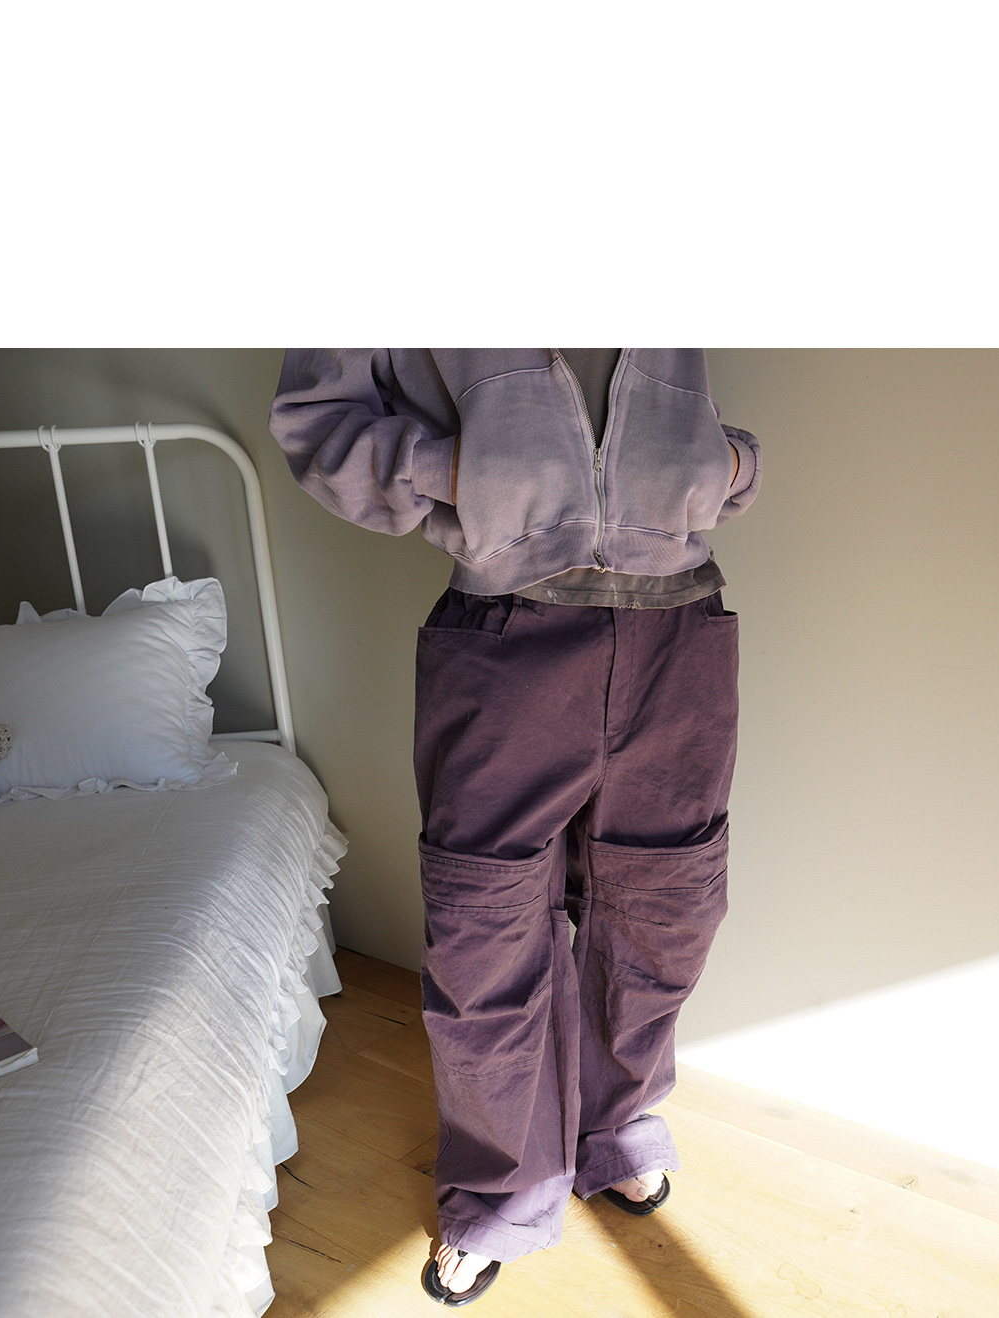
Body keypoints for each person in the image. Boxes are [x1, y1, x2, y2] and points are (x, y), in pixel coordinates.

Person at [270, 350, 761, 1299]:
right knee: (485, 931)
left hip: (681, 623)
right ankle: (502, 1188)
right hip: (506, 625)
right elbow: (317, 424)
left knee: (667, 914)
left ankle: (615, 1128)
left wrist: (724, 460)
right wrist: (461, 470)